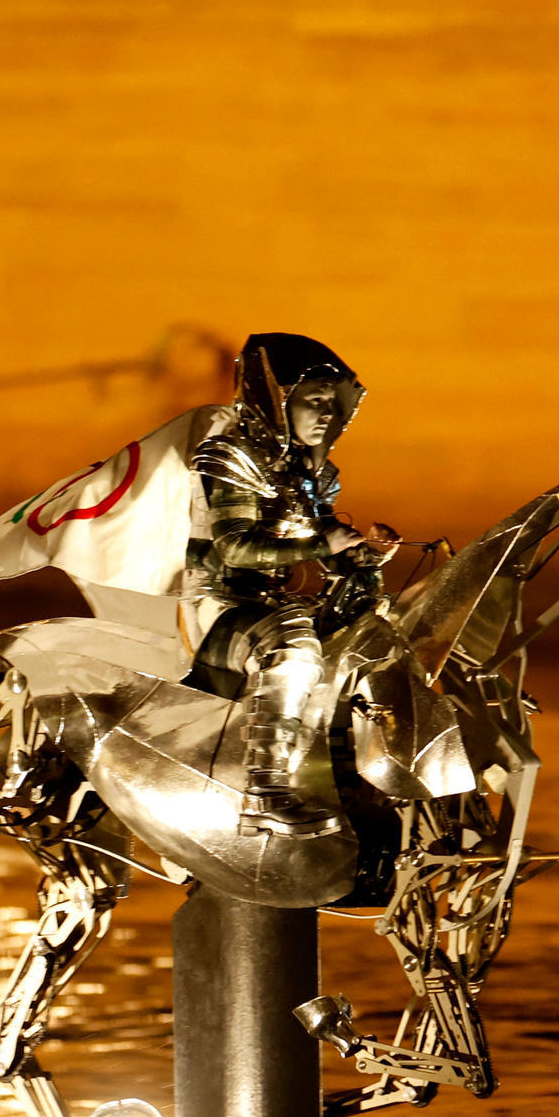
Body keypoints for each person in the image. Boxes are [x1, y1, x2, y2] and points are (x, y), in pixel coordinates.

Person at [188, 333, 394, 837]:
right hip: (223, 606)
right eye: (313, 401)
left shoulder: (310, 472)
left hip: (281, 601)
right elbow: (235, 548)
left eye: (332, 402)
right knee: (297, 647)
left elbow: (323, 543)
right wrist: (323, 545)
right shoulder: (231, 457)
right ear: (279, 403)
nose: (326, 414)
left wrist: (364, 554)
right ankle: (265, 789)